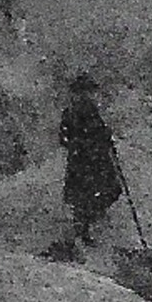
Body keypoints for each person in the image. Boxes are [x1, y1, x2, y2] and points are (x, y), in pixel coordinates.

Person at [59, 73, 122, 245]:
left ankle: (86, 226)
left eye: (90, 91)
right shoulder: (71, 114)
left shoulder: (93, 113)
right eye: (83, 91)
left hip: (97, 161)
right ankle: (81, 233)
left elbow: (99, 133)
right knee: (85, 197)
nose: (88, 95)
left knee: (110, 190)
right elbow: (65, 139)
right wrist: (84, 144)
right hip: (84, 162)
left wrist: (105, 138)